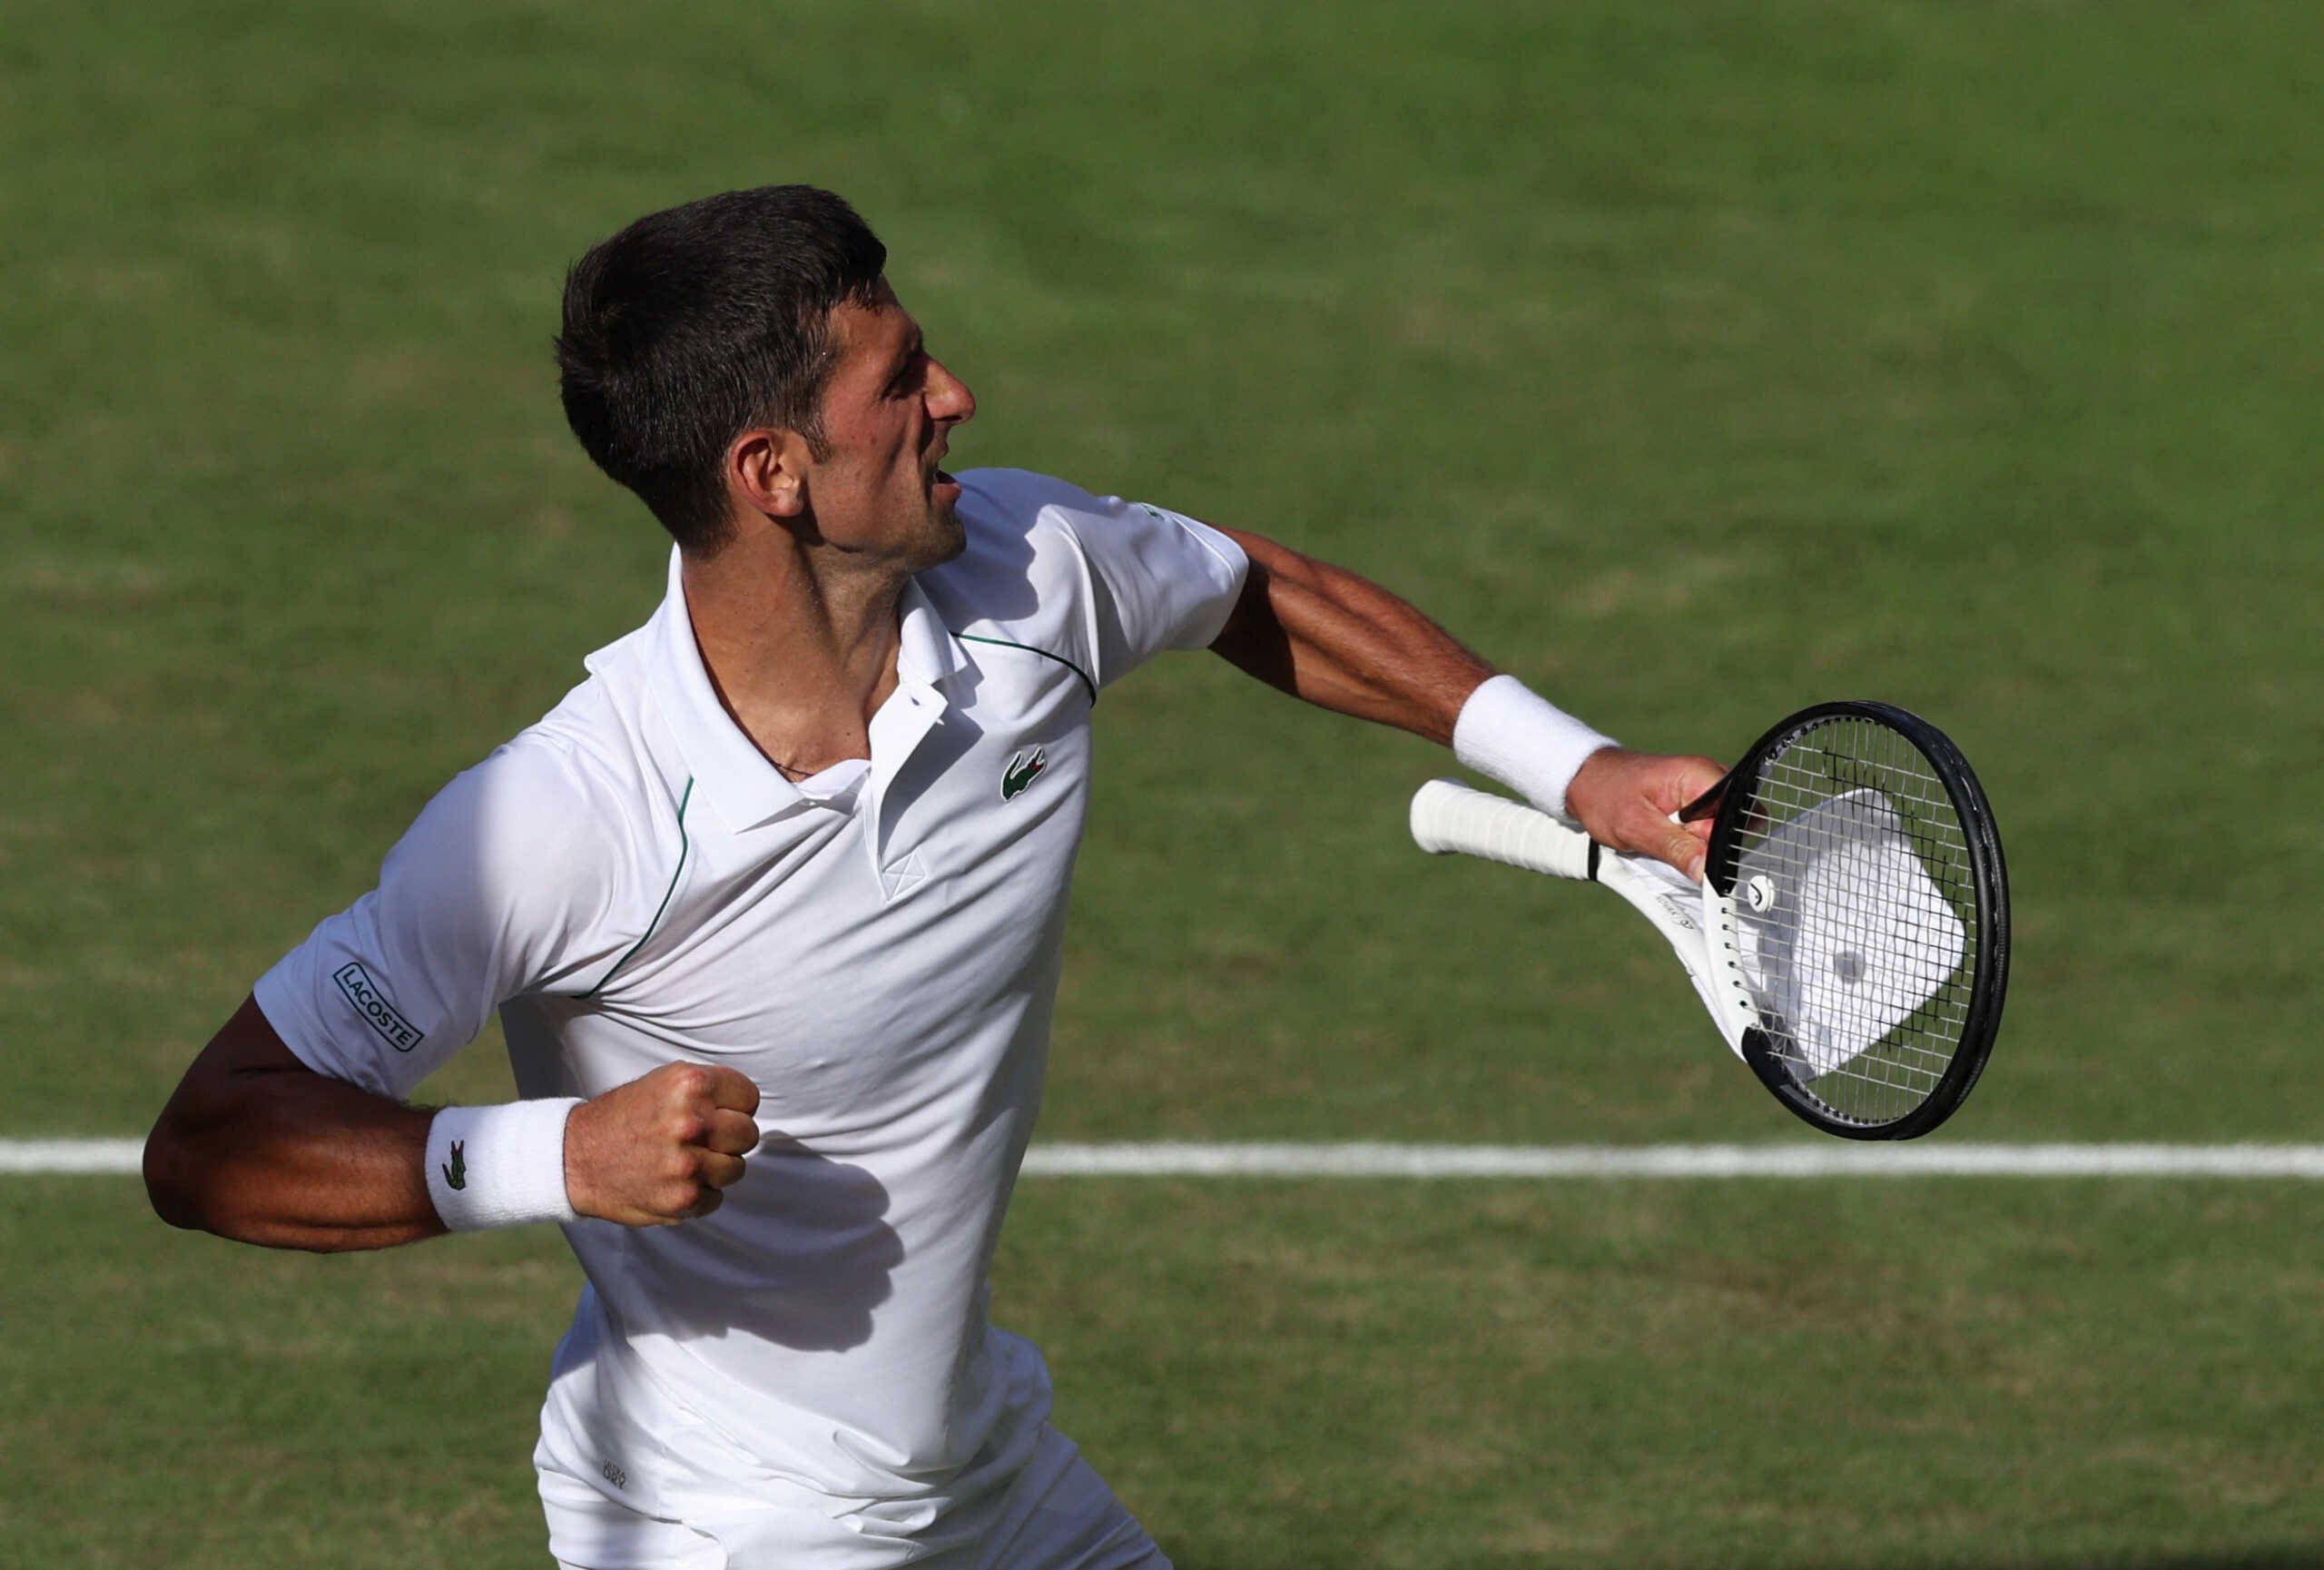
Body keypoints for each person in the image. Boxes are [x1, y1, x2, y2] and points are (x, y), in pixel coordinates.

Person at [144, 185, 1721, 1569]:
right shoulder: (567, 818)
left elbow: (1253, 587)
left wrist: (1573, 765)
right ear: (772, 470)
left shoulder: (1029, 573)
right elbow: (215, 1138)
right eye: (900, 384)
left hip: (986, 1480)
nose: (956, 394)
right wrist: (555, 1154)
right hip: (725, 1525)